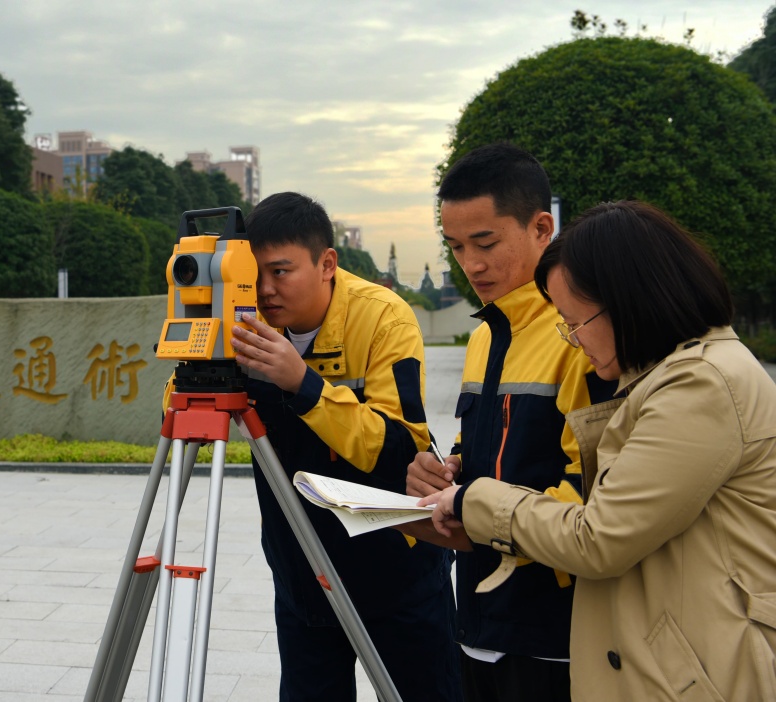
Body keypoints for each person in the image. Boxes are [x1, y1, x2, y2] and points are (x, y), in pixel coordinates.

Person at [420, 199, 776, 700]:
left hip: (702, 670)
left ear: (630, 300)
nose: (572, 339)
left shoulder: (700, 385)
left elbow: (600, 538)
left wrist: (471, 500)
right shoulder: (664, 377)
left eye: (576, 321)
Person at [402, 142, 616, 702]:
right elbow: (481, 449)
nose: (470, 264)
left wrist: (473, 514)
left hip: (555, 633)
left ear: (542, 227)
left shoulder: (581, 334)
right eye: (455, 247)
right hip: (477, 621)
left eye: (486, 243)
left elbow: (594, 495)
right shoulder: (483, 336)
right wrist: (446, 471)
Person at [227, 192, 460, 701]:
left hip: (395, 574)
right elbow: (181, 414)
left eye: (281, 271)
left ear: (327, 263)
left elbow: (401, 448)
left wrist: (303, 384)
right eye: (254, 274)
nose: (265, 290)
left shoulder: (383, 317)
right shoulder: (242, 320)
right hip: (302, 570)